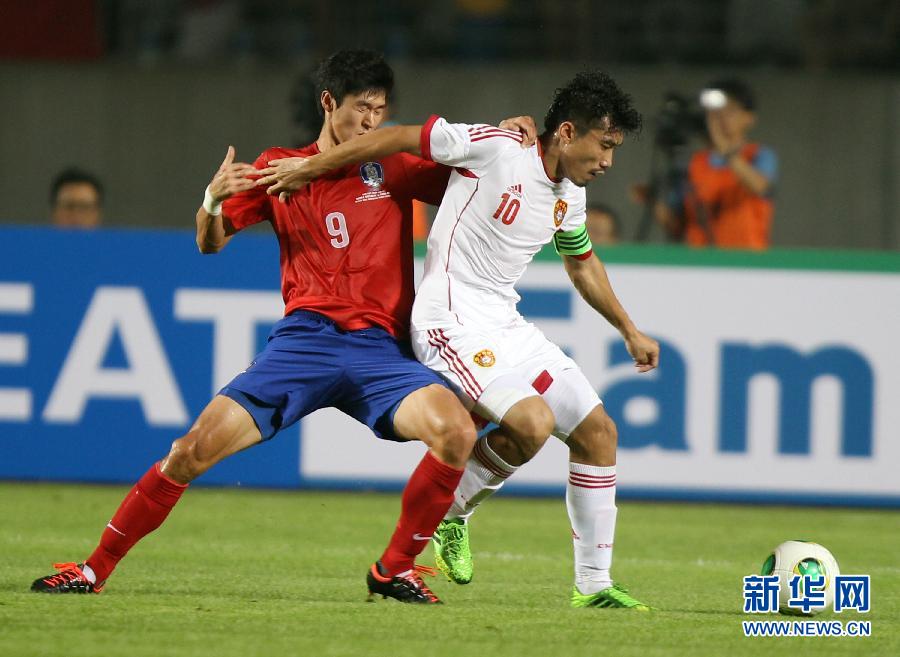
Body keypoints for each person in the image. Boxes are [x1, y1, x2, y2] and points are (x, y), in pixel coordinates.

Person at [30, 49, 534, 605]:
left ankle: (394, 569)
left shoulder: (390, 164)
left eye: (380, 110)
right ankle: (91, 570)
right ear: (328, 102)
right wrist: (212, 201)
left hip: (381, 352)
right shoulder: (279, 167)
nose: (371, 121)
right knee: (190, 450)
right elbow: (210, 242)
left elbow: (482, 175)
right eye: (361, 108)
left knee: (456, 433)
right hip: (304, 345)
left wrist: (508, 138)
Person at [257, 71, 660, 610]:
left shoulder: (570, 194)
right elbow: (398, 137)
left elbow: (581, 262)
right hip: (450, 322)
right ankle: (451, 513)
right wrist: (310, 167)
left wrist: (629, 330)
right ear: (567, 132)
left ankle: (593, 586)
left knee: (599, 433)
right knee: (533, 422)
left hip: (506, 324)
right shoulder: (497, 147)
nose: (608, 160)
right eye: (604, 144)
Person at [655, 78, 778, 249]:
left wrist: (724, 148)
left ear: (749, 118)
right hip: (701, 259)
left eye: (730, 111)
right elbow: (679, 226)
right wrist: (653, 203)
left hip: (747, 257)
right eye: (716, 112)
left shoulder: (759, 155)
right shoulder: (694, 163)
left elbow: (760, 187)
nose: (722, 118)